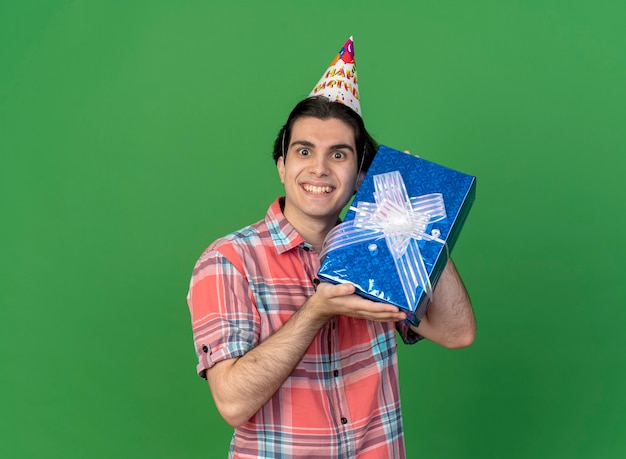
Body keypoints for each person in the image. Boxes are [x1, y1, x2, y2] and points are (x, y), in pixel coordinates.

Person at [187, 37, 476, 458]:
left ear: (362, 174)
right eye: (304, 151)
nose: (319, 168)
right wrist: (319, 309)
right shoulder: (229, 260)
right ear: (282, 165)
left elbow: (456, 332)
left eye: (338, 154)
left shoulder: (382, 250)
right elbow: (232, 402)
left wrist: (416, 213)